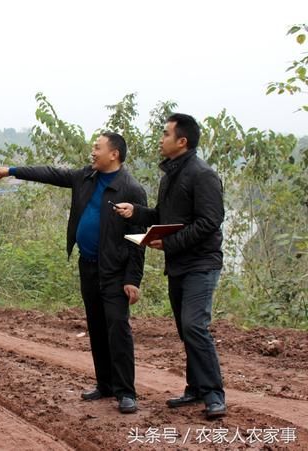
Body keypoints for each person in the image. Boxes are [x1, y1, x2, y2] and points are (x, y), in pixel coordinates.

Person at [0, 132, 147, 414]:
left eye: (97, 148)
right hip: (88, 265)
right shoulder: (85, 177)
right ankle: (105, 385)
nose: (92, 152)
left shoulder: (131, 189)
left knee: (117, 328)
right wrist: (12, 170)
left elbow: (138, 239)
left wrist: (133, 279)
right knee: (96, 325)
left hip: (114, 270)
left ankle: (126, 392)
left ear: (114, 154)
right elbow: (51, 173)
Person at [114, 113, 227, 419]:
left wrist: (171, 243)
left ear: (182, 141)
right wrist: (135, 212)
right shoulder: (170, 176)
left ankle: (214, 394)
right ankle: (195, 388)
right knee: (184, 327)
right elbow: (162, 217)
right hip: (178, 263)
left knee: (194, 325)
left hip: (201, 263)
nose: (160, 139)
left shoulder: (202, 174)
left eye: (165, 134)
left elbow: (210, 221)